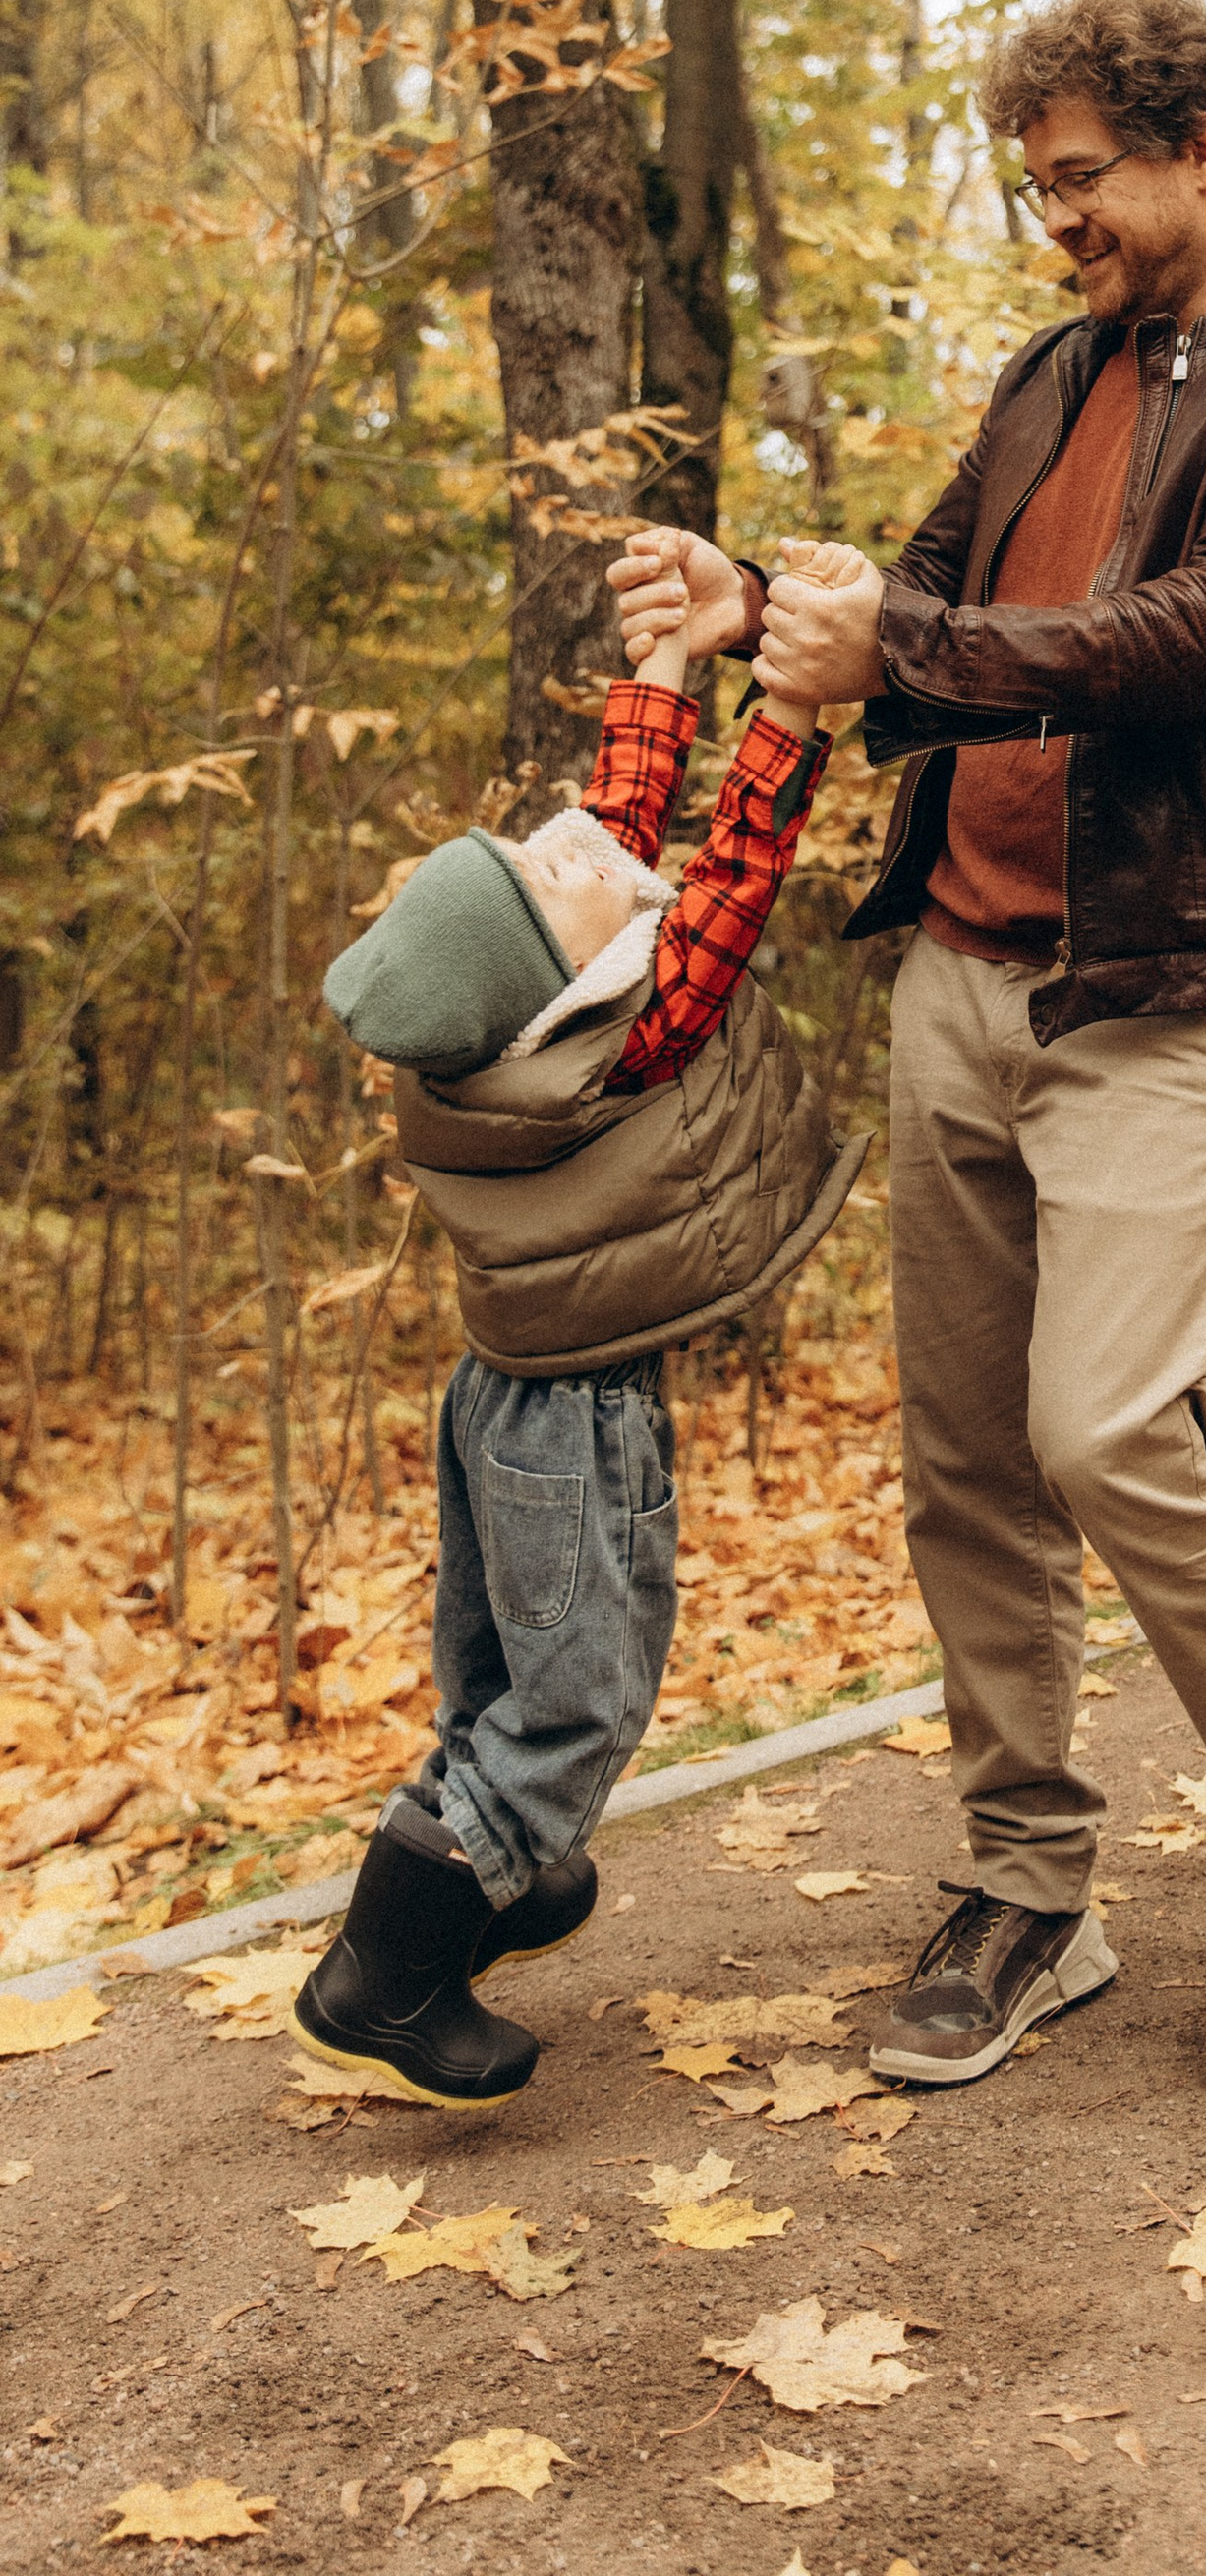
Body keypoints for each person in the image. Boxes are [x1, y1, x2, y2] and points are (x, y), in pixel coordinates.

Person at [613, 0, 1206, 2085]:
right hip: (960, 970)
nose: (1050, 218)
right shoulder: (1046, 374)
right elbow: (925, 624)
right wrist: (761, 621)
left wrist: (922, 639)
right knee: (970, 1463)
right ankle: (1022, 1877)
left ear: (1200, 158)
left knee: (1106, 1430)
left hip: (1164, 985)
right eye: (1036, 180)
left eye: (1079, 181)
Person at [296, 545, 867, 2108]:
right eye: (549, 879)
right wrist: (795, 714)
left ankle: (496, 1868)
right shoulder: (621, 1039)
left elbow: (610, 844)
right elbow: (730, 879)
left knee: (495, 1680)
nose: (572, 847)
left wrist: (669, 670)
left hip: (503, 1398)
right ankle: (384, 1978)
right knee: (579, 1697)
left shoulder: (508, 1039)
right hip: (578, 1416)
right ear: (561, 981)